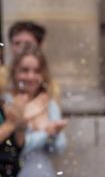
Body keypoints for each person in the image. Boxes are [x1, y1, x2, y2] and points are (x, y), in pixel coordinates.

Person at [5, 49, 67, 177]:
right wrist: (45, 133)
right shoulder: (5, 102)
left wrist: (52, 135)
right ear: (14, 72)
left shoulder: (49, 104)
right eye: (24, 70)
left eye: (37, 71)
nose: (31, 77)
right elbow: (11, 149)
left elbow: (59, 148)